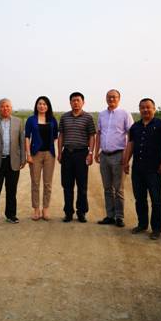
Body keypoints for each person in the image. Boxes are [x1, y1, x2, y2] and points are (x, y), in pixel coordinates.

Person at [123, 98, 161, 239]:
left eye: (148, 107)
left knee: (156, 200)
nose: (145, 110)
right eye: (142, 107)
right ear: (139, 109)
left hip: (154, 169)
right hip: (138, 169)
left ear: (154, 109)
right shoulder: (135, 127)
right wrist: (126, 162)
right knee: (140, 198)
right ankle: (142, 224)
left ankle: (157, 229)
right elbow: (131, 144)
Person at [94, 89, 134, 228]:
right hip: (104, 155)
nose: (111, 99)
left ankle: (119, 217)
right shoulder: (102, 115)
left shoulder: (125, 114)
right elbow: (99, 134)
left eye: (114, 97)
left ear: (119, 98)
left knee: (118, 188)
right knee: (107, 188)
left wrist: (126, 157)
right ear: (106, 98)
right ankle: (110, 216)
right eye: (109, 97)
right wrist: (96, 152)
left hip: (119, 155)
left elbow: (130, 136)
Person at [0, 98, 26, 225]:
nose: (5, 108)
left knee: (11, 190)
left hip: (13, 161)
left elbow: (22, 141)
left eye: (7, 106)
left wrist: (23, 158)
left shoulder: (18, 122)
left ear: (11, 108)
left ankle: (11, 215)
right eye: (2, 106)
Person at [58, 92, 96, 223]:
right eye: (73, 100)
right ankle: (68, 212)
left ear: (83, 102)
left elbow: (92, 136)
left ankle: (81, 212)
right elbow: (61, 135)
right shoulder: (64, 117)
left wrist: (90, 153)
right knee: (67, 185)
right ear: (70, 102)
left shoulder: (88, 118)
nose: (75, 103)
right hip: (67, 154)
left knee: (82, 185)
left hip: (82, 154)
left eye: (78, 100)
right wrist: (60, 152)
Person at [25, 96, 59, 221]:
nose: (42, 106)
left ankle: (45, 209)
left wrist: (49, 146)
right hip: (35, 154)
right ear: (36, 105)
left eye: (44, 104)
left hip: (49, 154)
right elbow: (27, 137)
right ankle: (36, 209)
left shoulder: (52, 120)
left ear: (48, 106)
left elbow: (55, 136)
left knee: (47, 183)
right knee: (35, 183)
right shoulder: (31, 120)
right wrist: (28, 154)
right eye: (40, 103)